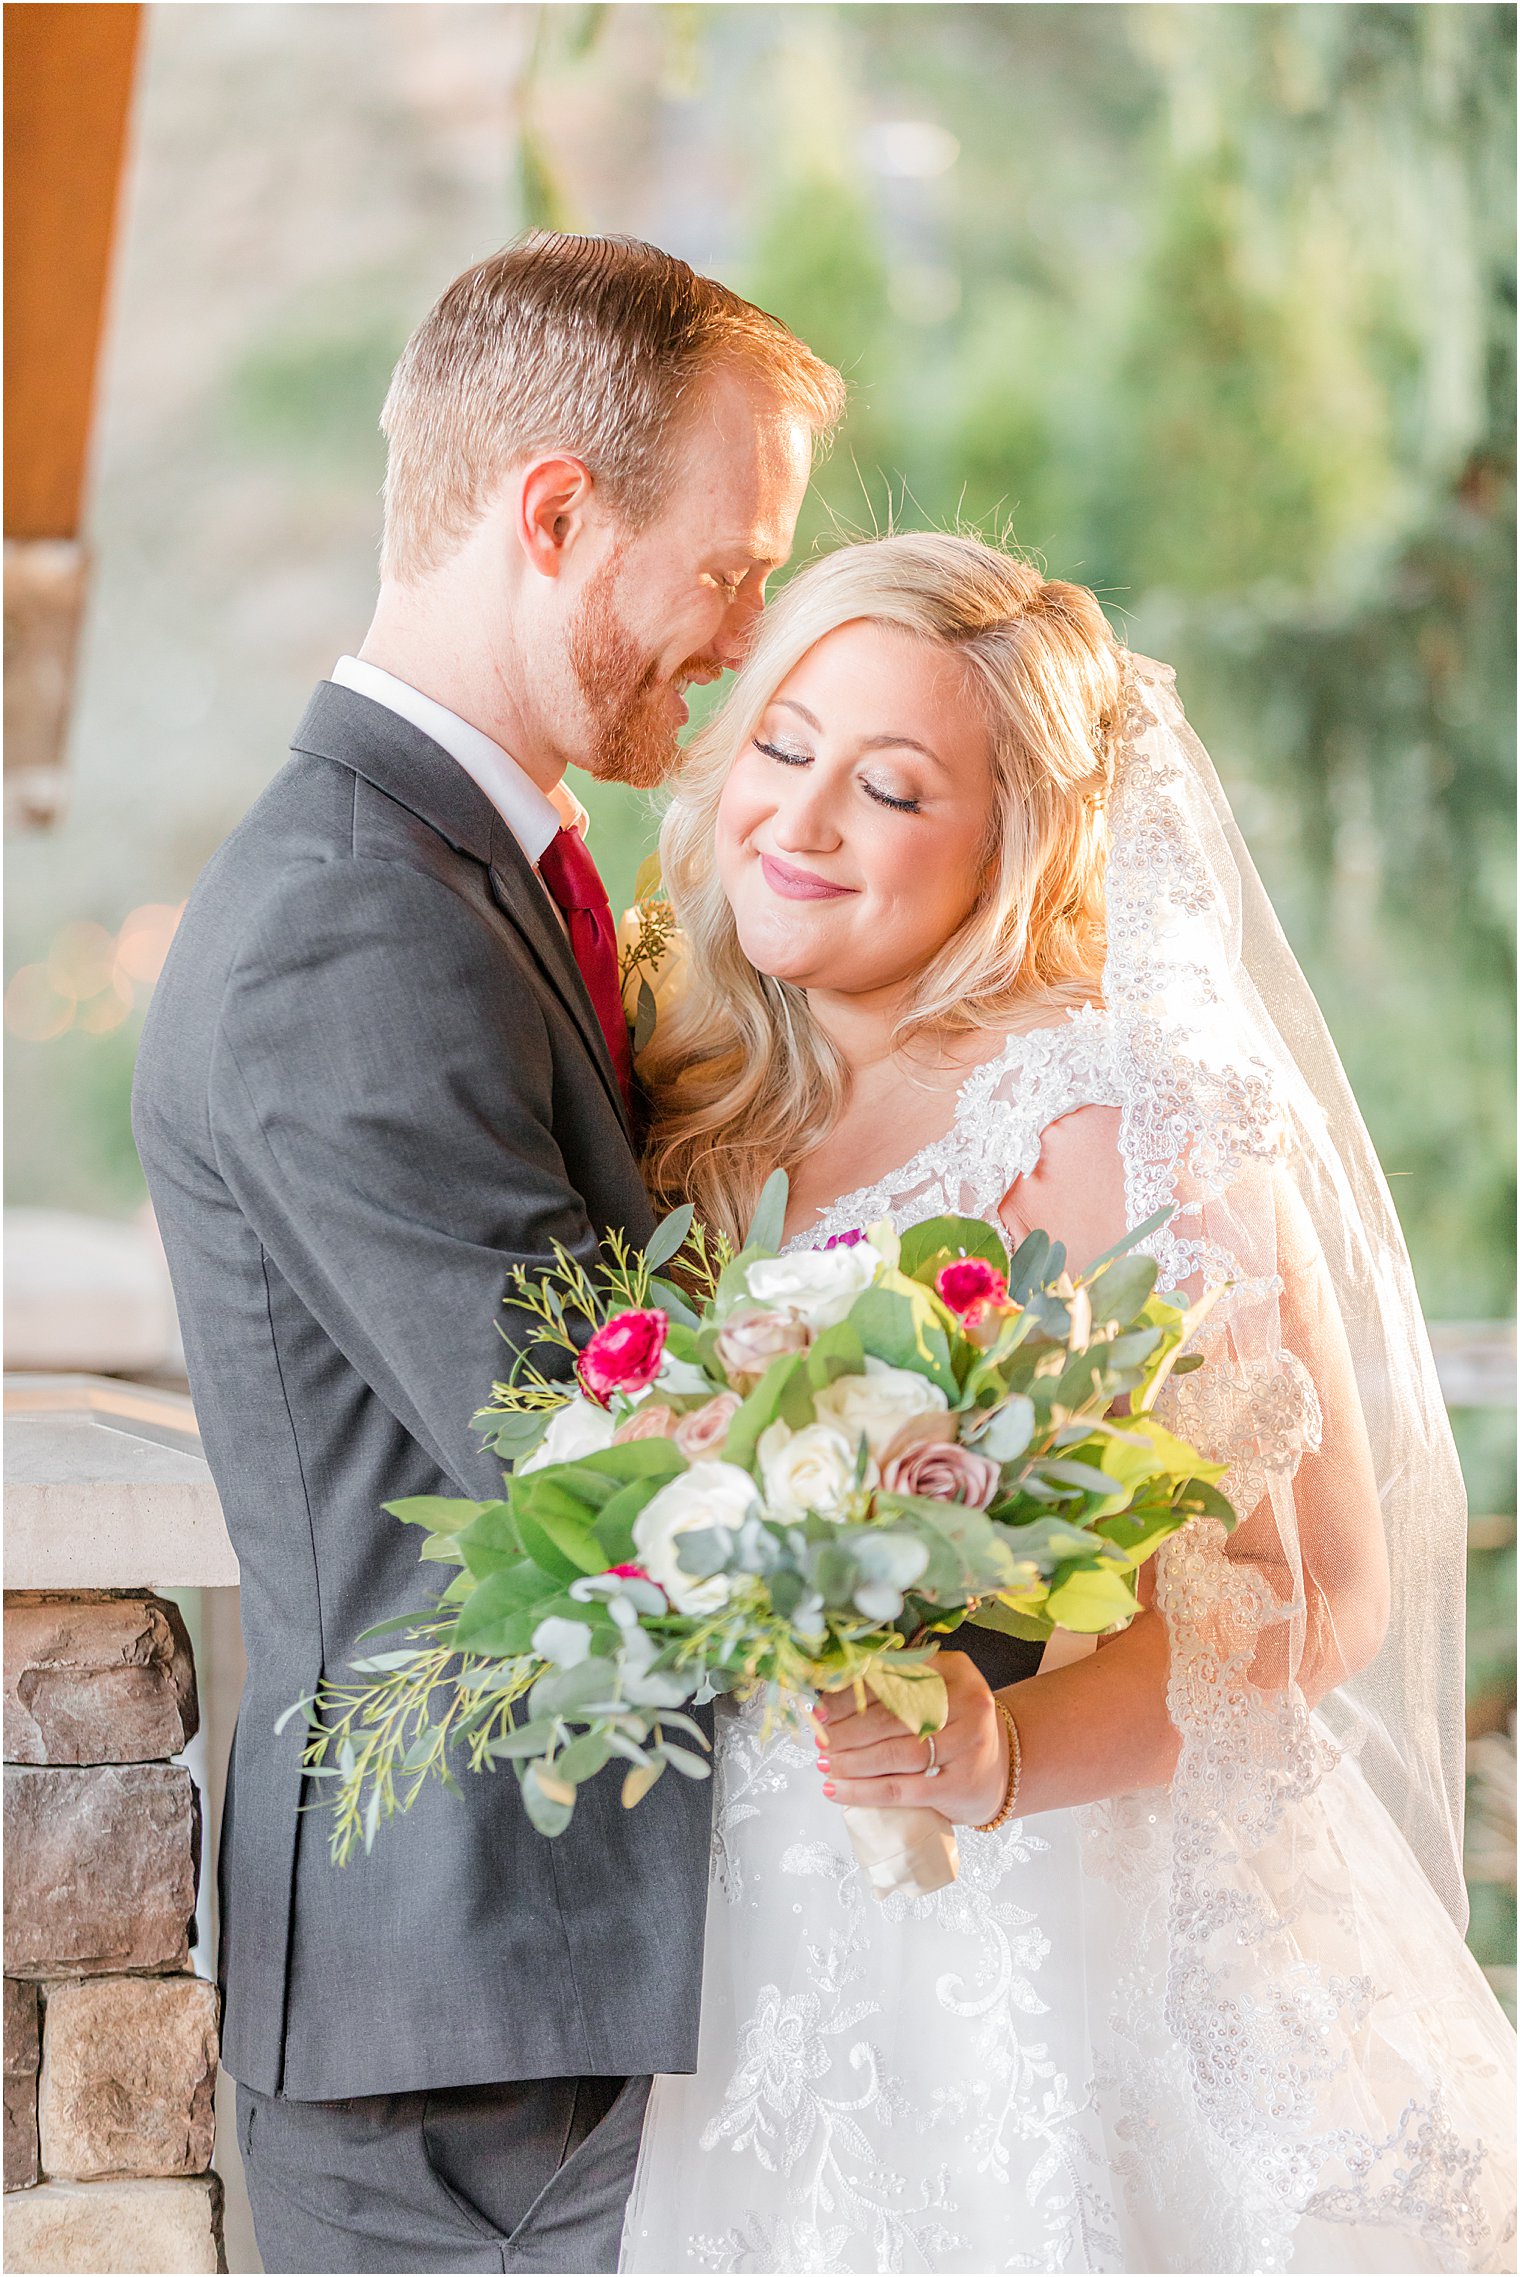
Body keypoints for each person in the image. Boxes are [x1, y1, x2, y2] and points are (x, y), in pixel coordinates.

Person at [620, 531, 1517, 2274]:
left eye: (887, 787)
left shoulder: (1107, 1111)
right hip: (760, 1958)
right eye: (784, 746)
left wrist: (1001, 1749)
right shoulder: (703, 1082)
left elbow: (1320, 1589)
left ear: (1010, 842)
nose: (797, 822)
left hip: (1067, 1927)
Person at [131, 232, 842, 2276]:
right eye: (729, 563)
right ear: (555, 513)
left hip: (555, 1994)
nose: (744, 632)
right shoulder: (353, 921)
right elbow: (587, 1454)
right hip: (473, 2043)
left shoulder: (471, 871)